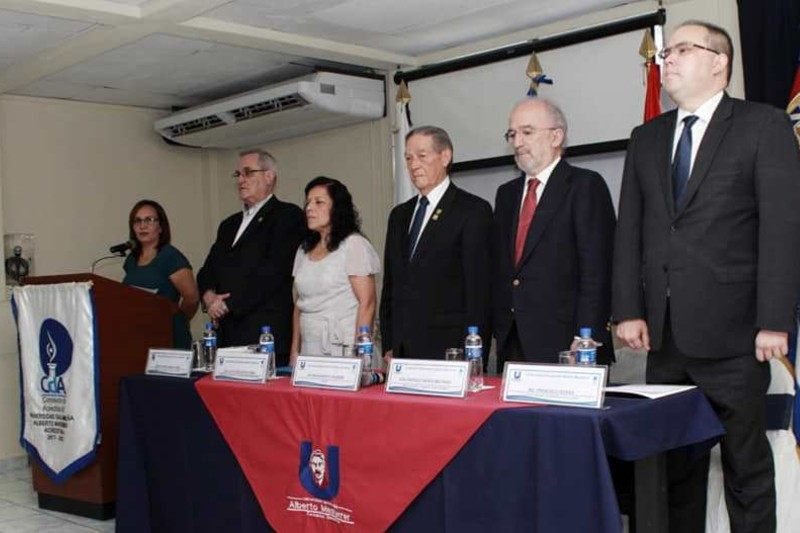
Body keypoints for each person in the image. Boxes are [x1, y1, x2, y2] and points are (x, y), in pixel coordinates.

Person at [612, 20, 800, 533]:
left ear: (719, 62)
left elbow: (781, 228)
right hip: (666, 339)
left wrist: (774, 320)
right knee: (674, 473)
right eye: (666, 51)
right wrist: (628, 309)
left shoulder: (763, 125)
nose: (667, 59)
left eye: (682, 49)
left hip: (737, 336)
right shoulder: (646, 137)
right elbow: (631, 230)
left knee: (745, 468)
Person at [492, 98, 615, 369]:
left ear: (556, 136)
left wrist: (586, 336)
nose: (517, 142)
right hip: (513, 341)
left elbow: (597, 269)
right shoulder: (506, 194)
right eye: (512, 134)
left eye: (527, 132)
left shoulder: (585, 186)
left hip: (569, 343)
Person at [380, 126, 492, 360]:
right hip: (402, 351)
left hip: (449, 350)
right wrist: (389, 344)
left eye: (422, 156)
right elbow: (391, 286)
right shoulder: (399, 215)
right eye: (408, 158)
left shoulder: (472, 210)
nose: (413, 165)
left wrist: (472, 354)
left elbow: (478, 292)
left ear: (445, 157)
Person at [197, 149, 305, 366]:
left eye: (247, 173)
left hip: (264, 335)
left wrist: (227, 305)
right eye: (238, 174)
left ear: (269, 176)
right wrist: (210, 299)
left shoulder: (287, 216)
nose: (241, 180)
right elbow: (207, 271)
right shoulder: (229, 225)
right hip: (228, 336)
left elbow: (274, 273)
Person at [290, 176, 380, 364]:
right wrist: (294, 351)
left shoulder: (354, 245)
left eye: (319, 202)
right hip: (310, 347)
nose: (309, 208)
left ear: (337, 208)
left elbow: (367, 303)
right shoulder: (303, 250)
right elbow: (299, 305)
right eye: (308, 202)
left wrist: (359, 356)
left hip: (344, 348)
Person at [122, 199, 199, 348]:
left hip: (169, 335)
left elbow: (192, 299)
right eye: (137, 221)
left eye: (149, 220)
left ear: (161, 227)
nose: (142, 226)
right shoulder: (132, 259)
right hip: (139, 335)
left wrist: (176, 321)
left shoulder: (170, 257)